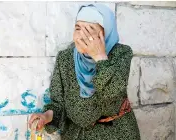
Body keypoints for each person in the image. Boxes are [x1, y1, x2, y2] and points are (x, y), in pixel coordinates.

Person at [29, 3, 141, 140]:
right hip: (76, 135)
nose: (81, 35)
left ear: (105, 33)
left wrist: (100, 56)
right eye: (78, 28)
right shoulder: (65, 58)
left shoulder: (121, 53)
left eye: (89, 29)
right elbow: (58, 104)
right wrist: (45, 117)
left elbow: (112, 93)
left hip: (115, 133)